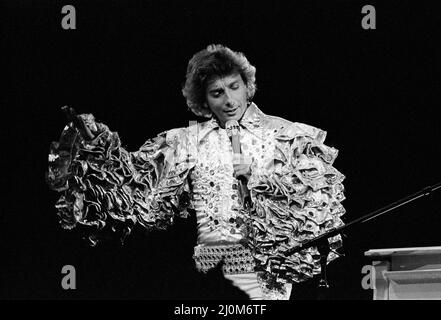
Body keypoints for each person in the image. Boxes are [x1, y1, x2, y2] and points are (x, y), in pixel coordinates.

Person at [47, 44, 346, 300]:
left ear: (247, 86)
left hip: (266, 283)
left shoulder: (286, 136)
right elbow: (139, 182)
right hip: (211, 276)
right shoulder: (188, 140)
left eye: (234, 87)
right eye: (217, 92)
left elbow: (317, 202)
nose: (228, 100)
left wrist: (258, 179)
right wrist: (99, 148)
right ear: (204, 101)